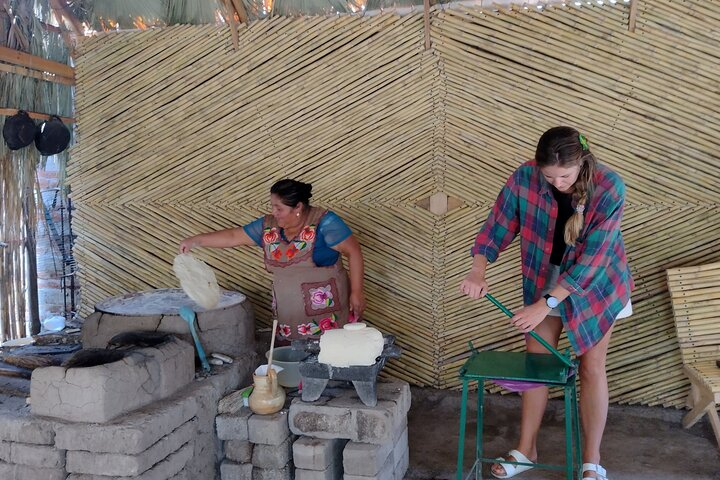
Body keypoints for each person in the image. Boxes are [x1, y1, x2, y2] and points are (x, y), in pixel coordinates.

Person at [459, 126, 633, 480]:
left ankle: (591, 461)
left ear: (581, 162)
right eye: (549, 176)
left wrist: (545, 305)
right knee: (537, 363)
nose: (557, 183)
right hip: (546, 276)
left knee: (591, 367)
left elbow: (593, 261)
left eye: (565, 175)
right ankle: (526, 450)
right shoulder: (525, 177)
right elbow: (497, 224)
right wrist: (478, 270)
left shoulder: (610, 187)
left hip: (597, 285)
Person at [180, 179, 366, 341]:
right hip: (288, 316)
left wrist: (356, 292)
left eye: (280, 208)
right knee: (293, 362)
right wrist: (196, 241)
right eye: (272, 206)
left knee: (327, 357)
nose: (274, 212)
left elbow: (354, 252)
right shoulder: (268, 226)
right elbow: (233, 236)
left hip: (326, 315)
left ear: (298, 207)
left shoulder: (325, 223)